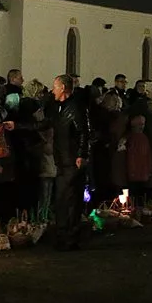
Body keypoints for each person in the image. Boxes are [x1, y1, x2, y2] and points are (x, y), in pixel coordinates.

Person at [18, 75, 89, 250]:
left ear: (63, 88)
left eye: (55, 87)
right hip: (62, 160)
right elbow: (46, 124)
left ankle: (70, 238)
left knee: (70, 200)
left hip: (72, 161)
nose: (52, 90)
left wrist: (81, 155)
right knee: (61, 200)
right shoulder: (59, 108)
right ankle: (62, 235)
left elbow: (83, 133)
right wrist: (19, 126)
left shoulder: (76, 108)